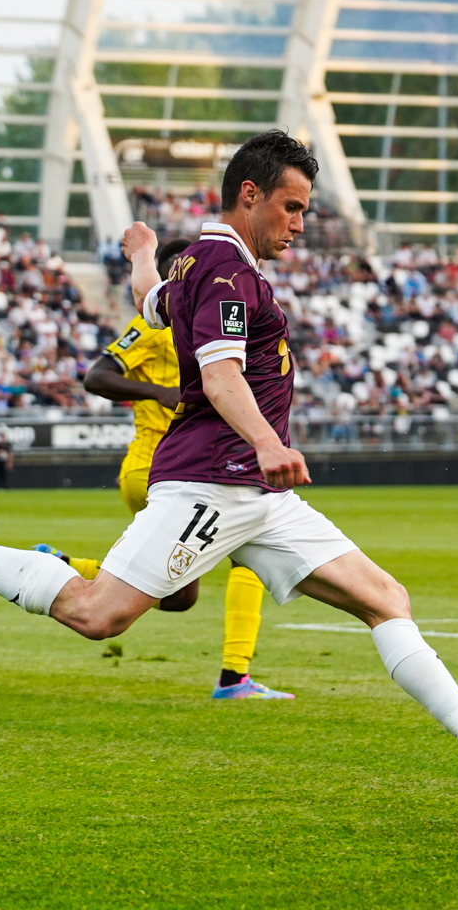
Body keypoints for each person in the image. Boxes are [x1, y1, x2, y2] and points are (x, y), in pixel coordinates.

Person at [0, 129, 458, 784]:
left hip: (258, 495)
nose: (300, 225)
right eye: (291, 206)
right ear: (250, 194)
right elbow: (220, 378)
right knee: (99, 615)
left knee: (385, 600)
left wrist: (143, 256)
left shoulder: (195, 261)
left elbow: (151, 302)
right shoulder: (224, 272)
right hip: (213, 484)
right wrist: (271, 442)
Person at [37, 237, 290, 700]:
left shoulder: (204, 320)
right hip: (175, 468)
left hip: (165, 470)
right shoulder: (162, 326)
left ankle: (58, 567)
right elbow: (95, 376)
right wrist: (158, 392)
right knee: (250, 555)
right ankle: (235, 677)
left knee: (178, 596)